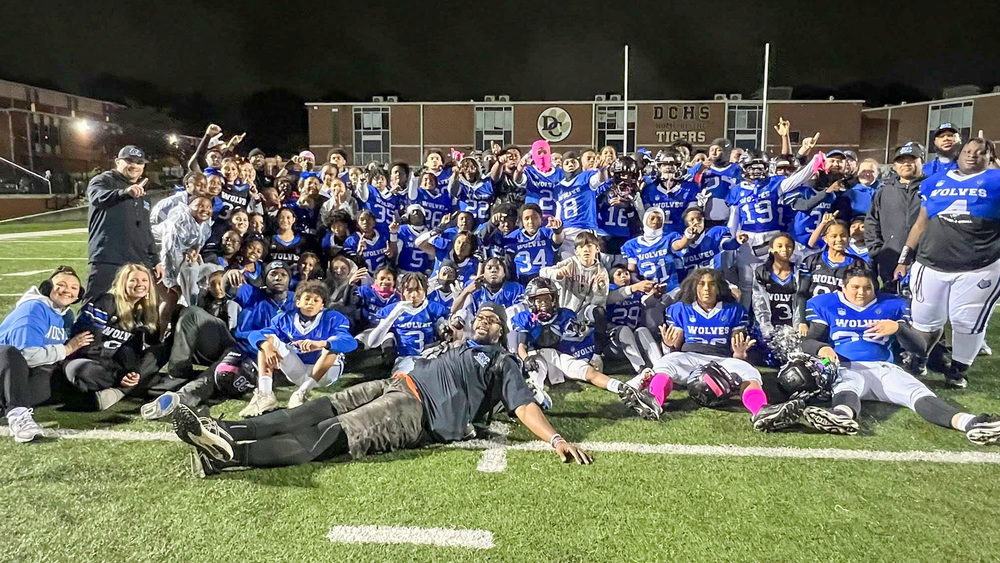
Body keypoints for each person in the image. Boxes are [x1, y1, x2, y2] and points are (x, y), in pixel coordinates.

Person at [172, 303, 592, 477]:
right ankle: (224, 431)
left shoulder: (502, 361)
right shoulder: (461, 345)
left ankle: (230, 457)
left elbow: (522, 405)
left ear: (502, 329)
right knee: (312, 411)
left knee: (333, 432)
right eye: (479, 317)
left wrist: (556, 438)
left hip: (416, 411)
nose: (482, 321)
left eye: (491, 320)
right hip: (395, 384)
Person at [799, 262, 1000, 443]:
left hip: (885, 368)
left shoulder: (892, 305)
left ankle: (970, 423)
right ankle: (842, 415)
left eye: (867, 288)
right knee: (846, 386)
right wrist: (821, 347)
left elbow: (920, 348)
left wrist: (898, 328)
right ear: (843, 287)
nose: (861, 293)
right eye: (855, 287)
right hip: (846, 366)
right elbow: (807, 341)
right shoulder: (825, 304)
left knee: (919, 394)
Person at [627, 268, 803, 431]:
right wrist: (668, 345)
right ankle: (653, 401)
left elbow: (737, 350)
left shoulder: (733, 310)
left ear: (719, 288)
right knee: (666, 363)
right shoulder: (680, 309)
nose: (706, 289)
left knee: (749, 372)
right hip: (690, 356)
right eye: (701, 284)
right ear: (694, 287)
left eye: (712, 284)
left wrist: (740, 354)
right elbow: (675, 348)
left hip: (722, 361)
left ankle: (761, 410)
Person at [895, 137, 1000, 388]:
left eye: (980, 152)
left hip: (979, 265)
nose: (972, 155)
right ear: (959, 154)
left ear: (990, 157)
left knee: (966, 322)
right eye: (968, 151)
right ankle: (919, 359)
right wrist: (904, 258)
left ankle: (958, 370)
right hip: (930, 262)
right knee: (924, 320)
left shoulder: (996, 179)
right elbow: (921, 223)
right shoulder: (934, 182)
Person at [511, 279, 660, 420]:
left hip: (559, 355)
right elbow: (521, 346)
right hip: (536, 356)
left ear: (554, 299)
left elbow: (578, 335)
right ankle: (536, 392)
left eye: (547, 299)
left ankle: (621, 388)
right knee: (537, 367)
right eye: (539, 300)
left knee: (589, 372)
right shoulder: (525, 318)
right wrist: (526, 358)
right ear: (531, 302)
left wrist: (581, 330)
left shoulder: (565, 314)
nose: (544, 303)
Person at [0, 267, 92, 442]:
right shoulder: (33, 308)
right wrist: (67, 349)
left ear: (78, 295)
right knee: (9, 352)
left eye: (74, 288)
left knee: (53, 379)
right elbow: (27, 355)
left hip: (17, 378)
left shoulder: (66, 316)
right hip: (5, 367)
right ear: (47, 287)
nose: (67, 290)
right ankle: (18, 414)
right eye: (61, 285)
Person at [67, 264, 168, 410]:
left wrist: (131, 372)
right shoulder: (106, 302)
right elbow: (87, 346)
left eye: (144, 280)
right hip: (88, 362)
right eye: (133, 280)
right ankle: (130, 387)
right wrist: (119, 375)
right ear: (123, 282)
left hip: (115, 368)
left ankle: (117, 393)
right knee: (86, 371)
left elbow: (132, 352)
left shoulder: (143, 312)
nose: (140, 284)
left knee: (161, 350)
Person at [247, 280, 357, 414]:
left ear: (322, 305)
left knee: (333, 343)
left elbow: (351, 343)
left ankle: (302, 393)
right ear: (298, 302)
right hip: (298, 369)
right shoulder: (285, 318)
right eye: (307, 299)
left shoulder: (333, 318)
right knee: (266, 340)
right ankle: (265, 395)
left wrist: (321, 343)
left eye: (316, 300)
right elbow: (254, 335)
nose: (311, 303)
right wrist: (266, 346)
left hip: (326, 374)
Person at [85, 145, 161, 301]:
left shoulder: (143, 194)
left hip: (139, 261)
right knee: (96, 303)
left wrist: (155, 260)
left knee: (140, 307)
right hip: (109, 258)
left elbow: (145, 230)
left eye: (139, 162)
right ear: (117, 162)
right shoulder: (103, 180)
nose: (134, 165)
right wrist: (124, 193)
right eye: (129, 161)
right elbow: (97, 197)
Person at [865, 142, 924, 290]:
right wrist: (878, 252)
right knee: (891, 299)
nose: (906, 164)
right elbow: (872, 222)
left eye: (911, 159)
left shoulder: (931, 188)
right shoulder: (884, 191)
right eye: (901, 160)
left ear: (921, 161)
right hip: (891, 257)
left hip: (924, 258)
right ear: (895, 166)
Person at [505, 204, 563, 285]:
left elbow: (558, 241)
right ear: (522, 222)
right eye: (526, 218)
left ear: (541, 219)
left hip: (547, 279)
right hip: (523, 281)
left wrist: (557, 230)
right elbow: (509, 263)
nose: (531, 222)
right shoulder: (514, 237)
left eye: (534, 218)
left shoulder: (546, 232)